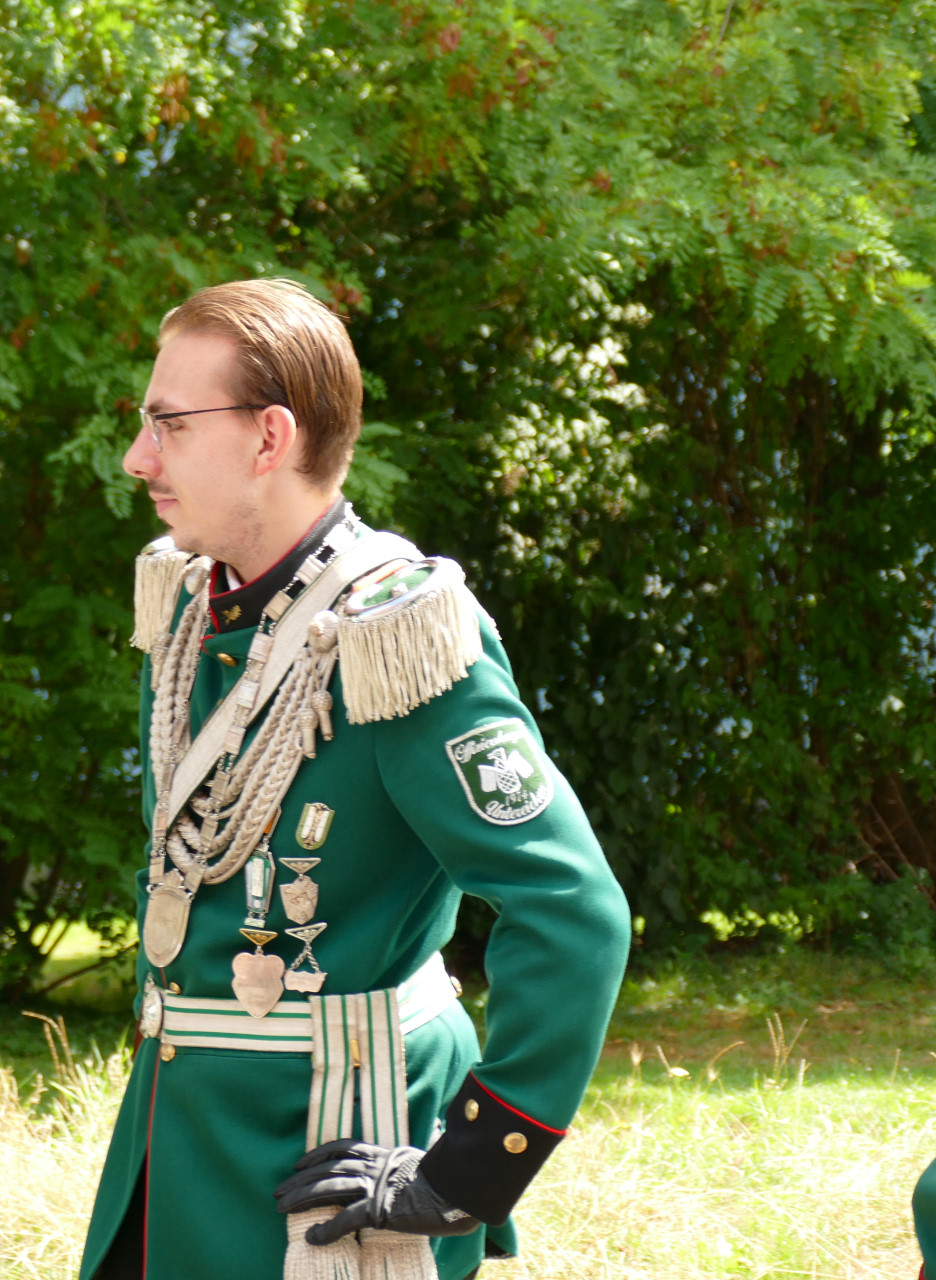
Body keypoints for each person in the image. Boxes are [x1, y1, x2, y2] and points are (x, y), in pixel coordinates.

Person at [79, 279, 631, 1280]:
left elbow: (571, 907)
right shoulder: (197, 609)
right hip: (175, 1141)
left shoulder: (396, 638)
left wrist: (468, 1169)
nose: (138, 457)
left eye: (168, 424)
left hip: (332, 1155)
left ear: (269, 437)